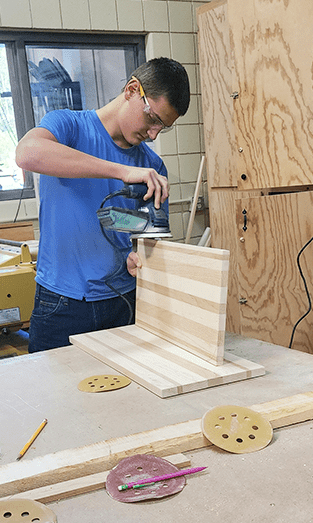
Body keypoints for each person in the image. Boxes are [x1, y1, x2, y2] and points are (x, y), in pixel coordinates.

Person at [15, 57, 190, 353]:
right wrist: (122, 170)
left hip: (124, 303)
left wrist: (139, 256)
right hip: (62, 304)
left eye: (164, 127)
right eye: (153, 119)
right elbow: (27, 154)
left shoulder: (152, 166)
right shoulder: (68, 127)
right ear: (133, 90)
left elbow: (148, 239)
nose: (153, 134)